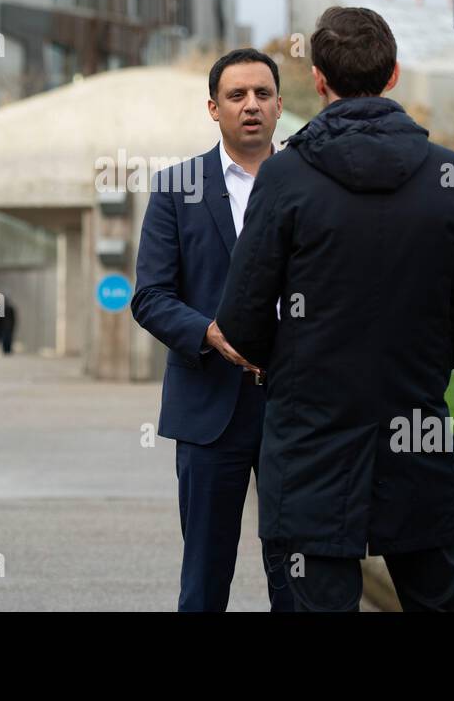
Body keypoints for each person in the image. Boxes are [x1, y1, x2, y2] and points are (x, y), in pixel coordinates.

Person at [216, 7, 454, 612]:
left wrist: (295, 361)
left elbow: (241, 321)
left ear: (318, 80)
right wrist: (418, 357)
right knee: (436, 602)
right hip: (416, 430)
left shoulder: (285, 176)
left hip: (310, 440)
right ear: (394, 73)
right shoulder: (450, 175)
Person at [131, 48, 295, 612]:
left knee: (298, 576)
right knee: (204, 580)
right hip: (208, 407)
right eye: (236, 96)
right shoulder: (177, 188)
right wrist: (209, 333)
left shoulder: (310, 182)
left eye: (262, 94)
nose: (251, 105)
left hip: (295, 406)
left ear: (280, 105)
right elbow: (150, 296)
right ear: (213, 107)